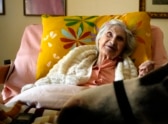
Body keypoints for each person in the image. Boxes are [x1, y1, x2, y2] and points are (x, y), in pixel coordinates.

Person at [21, 19, 154, 91]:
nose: (112, 41)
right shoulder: (79, 58)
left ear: (124, 48)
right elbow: (54, 79)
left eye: (120, 39)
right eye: (109, 34)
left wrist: (146, 77)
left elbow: (136, 96)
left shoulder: (126, 72)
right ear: (99, 38)